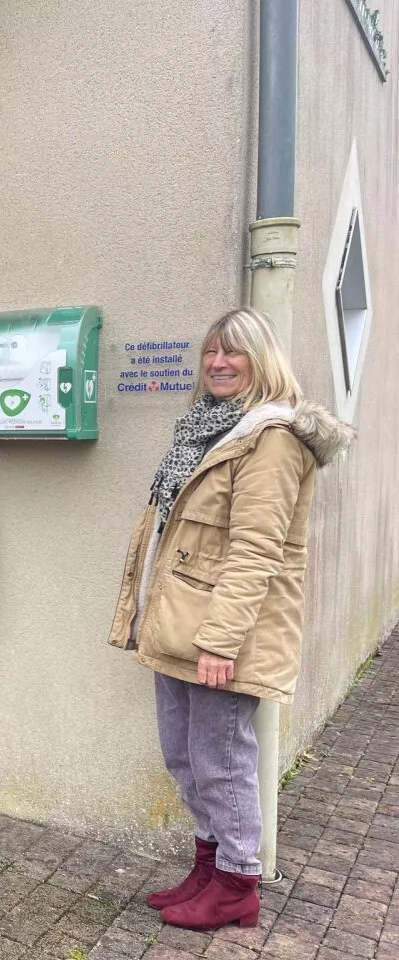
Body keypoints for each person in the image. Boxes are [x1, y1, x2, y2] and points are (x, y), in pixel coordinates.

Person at [108, 308, 353, 931]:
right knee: (186, 757)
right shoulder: (208, 428)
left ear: (261, 360)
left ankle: (238, 885)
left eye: (234, 352)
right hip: (177, 624)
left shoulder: (270, 438)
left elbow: (255, 550)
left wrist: (220, 640)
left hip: (221, 633)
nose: (218, 363)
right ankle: (207, 867)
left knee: (221, 760)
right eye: (211, 352)